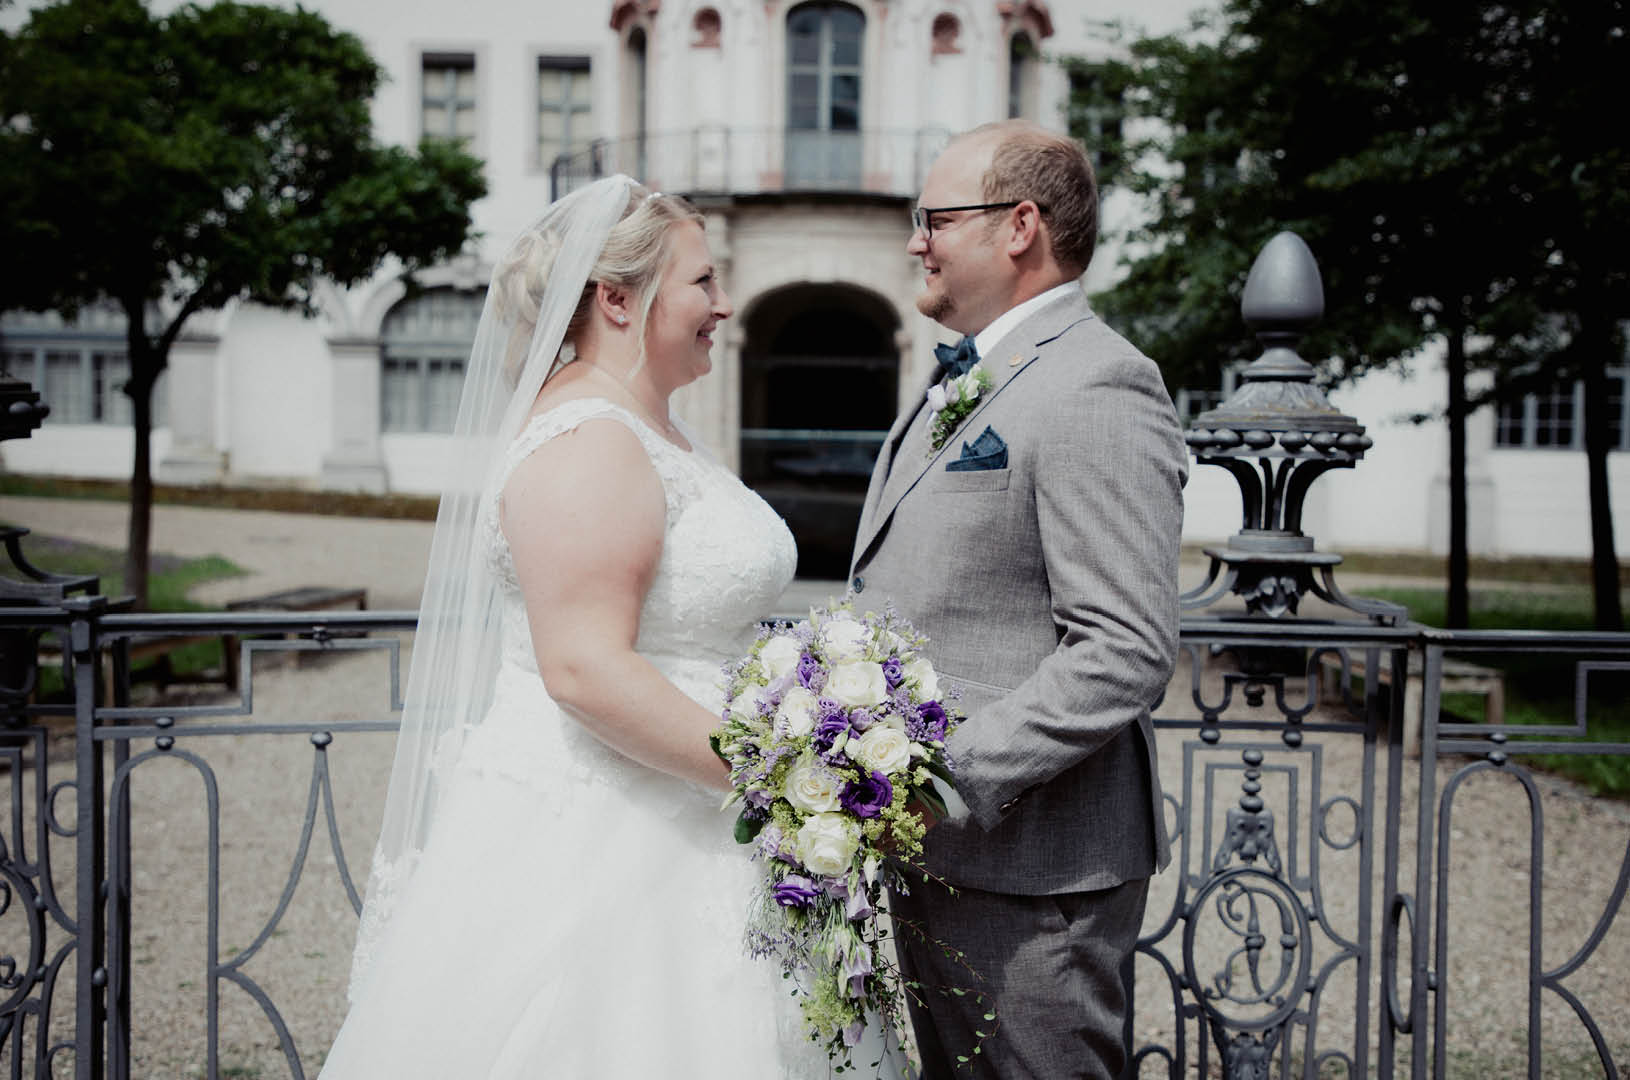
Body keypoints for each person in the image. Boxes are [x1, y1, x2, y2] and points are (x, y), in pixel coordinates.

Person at [321, 176, 902, 1078]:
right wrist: (783, 778)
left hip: (693, 806)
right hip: (612, 827)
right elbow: (584, 669)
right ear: (618, 299)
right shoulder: (589, 438)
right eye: (703, 282)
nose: (724, 304)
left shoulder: (651, 425)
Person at [849, 121, 1187, 1077]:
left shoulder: (1098, 383)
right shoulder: (965, 373)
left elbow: (1123, 648)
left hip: (1034, 877)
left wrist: (936, 781)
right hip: (944, 861)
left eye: (936, 219)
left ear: (1020, 226)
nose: (916, 241)